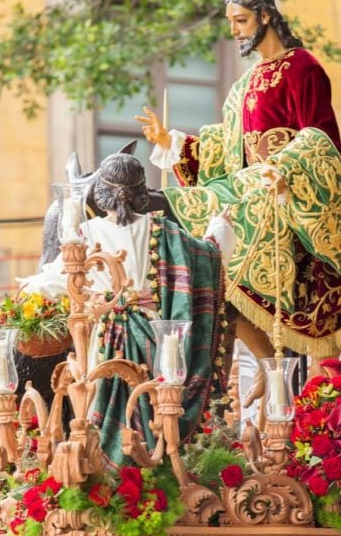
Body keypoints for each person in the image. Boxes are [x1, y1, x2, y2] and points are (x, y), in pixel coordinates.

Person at [136, 0, 341, 366]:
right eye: (230, 23)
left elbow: (322, 137)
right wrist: (174, 143)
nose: (234, 32)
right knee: (208, 219)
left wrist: (286, 168)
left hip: (290, 191)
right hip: (250, 185)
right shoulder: (245, 83)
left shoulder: (303, 68)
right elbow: (225, 146)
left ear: (265, 16)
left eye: (241, 21)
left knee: (235, 213)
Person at [18, 151, 232, 465]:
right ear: (142, 193)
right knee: (154, 402)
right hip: (153, 334)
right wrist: (220, 226)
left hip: (105, 335)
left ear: (101, 195)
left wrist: (27, 287)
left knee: (99, 399)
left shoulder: (84, 235)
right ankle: (157, 462)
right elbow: (210, 254)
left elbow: (58, 279)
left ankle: (107, 461)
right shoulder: (165, 230)